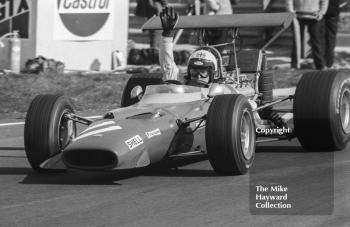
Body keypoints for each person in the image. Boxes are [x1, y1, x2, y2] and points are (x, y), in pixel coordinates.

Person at [159, 7, 219, 87]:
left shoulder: (219, 91)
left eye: (203, 72)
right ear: (188, 71)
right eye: (194, 71)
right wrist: (167, 34)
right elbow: (167, 65)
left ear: (212, 74)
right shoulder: (180, 82)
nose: (198, 76)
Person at [286, 0, 329, 70]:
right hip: (297, 16)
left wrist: (322, 12)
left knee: (316, 41)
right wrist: (290, 11)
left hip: (315, 16)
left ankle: (320, 65)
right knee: (296, 41)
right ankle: (294, 65)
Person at [323, 0, 348, 68]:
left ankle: (323, 62)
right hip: (332, 11)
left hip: (321, 12)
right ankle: (328, 62)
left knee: (320, 37)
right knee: (330, 38)